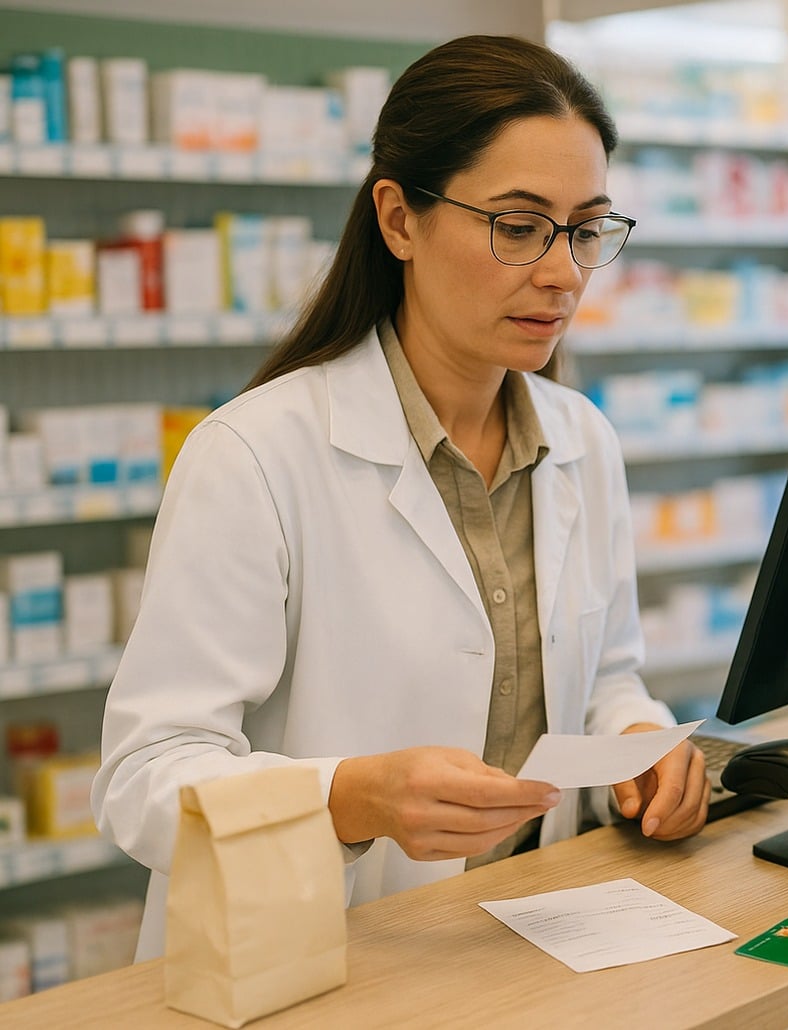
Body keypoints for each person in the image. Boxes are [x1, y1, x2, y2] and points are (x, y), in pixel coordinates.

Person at [92, 35, 709, 960]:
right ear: (399, 219)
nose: (564, 272)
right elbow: (142, 779)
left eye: (586, 229)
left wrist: (644, 740)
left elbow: (609, 674)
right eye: (517, 224)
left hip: (536, 943)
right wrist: (349, 798)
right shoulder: (254, 454)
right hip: (322, 963)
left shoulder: (584, 439)